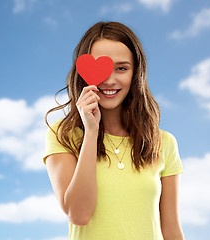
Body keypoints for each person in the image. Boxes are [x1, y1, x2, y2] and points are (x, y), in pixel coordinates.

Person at [43, 21, 185, 240]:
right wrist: (91, 132)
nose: (109, 80)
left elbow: (171, 229)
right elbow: (78, 214)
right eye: (102, 69)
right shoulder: (63, 135)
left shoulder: (163, 142)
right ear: (83, 73)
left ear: (136, 73)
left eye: (121, 68)